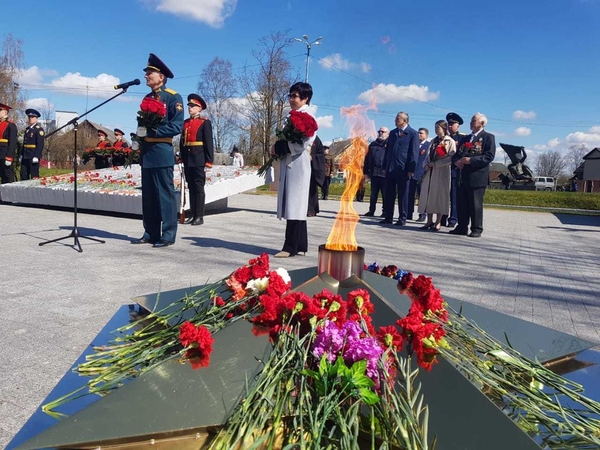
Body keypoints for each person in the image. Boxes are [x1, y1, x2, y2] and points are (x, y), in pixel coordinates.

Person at [131, 53, 184, 248]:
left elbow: (177, 126)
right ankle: (150, 232)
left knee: (165, 195)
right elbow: (141, 124)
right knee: (149, 196)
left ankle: (168, 234)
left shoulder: (173, 97)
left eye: (149, 73)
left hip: (162, 149)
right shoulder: (146, 98)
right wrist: (138, 138)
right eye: (146, 73)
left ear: (161, 77)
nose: (146, 76)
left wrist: (154, 130)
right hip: (147, 152)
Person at [274, 82, 317, 258]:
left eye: (295, 96)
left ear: (305, 98)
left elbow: (305, 142)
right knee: (296, 203)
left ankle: (289, 247)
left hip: (298, 163)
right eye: (290, 96)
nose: (291, 99)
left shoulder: (308, 116)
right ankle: (300, 244)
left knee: (295, 203)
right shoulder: (294, 115)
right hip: (291, 162)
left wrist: (285, 146)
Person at [450, 112, 496, 238]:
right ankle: (461, 226)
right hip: (462, 176)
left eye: (473, 121)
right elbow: (457, 154)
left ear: (482, 123)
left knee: (475, 204)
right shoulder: (465, 138)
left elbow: (489, 156)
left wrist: (471, 160)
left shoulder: (488, 137)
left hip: (477, 177)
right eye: (471, 120)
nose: (471, 123)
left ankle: (476, 228)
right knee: (462, 202)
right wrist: (457, 161)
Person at [180, 93, 213, 226]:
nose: (190, 108)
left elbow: (209, 143)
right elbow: (183, 142)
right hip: (188, 159)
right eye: (189, 105)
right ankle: (193, 215)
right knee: (191, 187)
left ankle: (199, 216)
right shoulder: (185, 123)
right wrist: (181, 157)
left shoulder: (205, 123)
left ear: (200, 108)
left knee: (199, 188)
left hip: (199, 158)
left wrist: (209, 161)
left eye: (193, 106)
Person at [381, 112, 419, 226]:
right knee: (389, 193)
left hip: (403, 169)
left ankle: (402, 217)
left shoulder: (412, 133)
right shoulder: (393, 133)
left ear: (405, 120)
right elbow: (387, 151)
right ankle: (388, 216)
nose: (395, 121)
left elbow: (414, 153)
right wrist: (384, 165)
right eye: (396, 118)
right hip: (391, 168)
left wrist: (411, 169)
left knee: (403, 194)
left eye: (398, 119)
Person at [418, 120, 456, 231]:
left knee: (439, 196)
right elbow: (427, 155)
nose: (436, 130)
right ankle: (429, 220)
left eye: (438, 128)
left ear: (444, 129)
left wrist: (436, 164)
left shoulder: (450, 141)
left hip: (442, 171)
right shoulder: (433, 141)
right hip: (430, 172)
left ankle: (438, 222)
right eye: (435, 128)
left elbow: (451, 157)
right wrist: (425, 164)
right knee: (429, 194)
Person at [441, 112, 465, 227]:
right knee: (443, 196)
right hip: (443, 170)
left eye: (452, 124)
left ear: (458, 126)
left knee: (454, 197)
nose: (450, 126)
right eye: (449, 124)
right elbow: (440, 154)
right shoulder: (443, 138)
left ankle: (453, 219)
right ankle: (441, 218)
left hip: (455, 170)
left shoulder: (463, 139)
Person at [363, 126, 388, 217]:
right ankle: (371, 210)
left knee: (385, 194)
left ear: (387, 133)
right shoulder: (373, 144)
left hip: (385, 174)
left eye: (383, 131)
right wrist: (365, 172)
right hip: (374, 173)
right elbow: (367, 159)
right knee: (373, 194)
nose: (381, 133)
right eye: (379, 131)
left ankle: (385, 212)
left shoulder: (390, 144)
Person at [407, 127, 430, 222]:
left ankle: (422, 214)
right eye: (418, 133)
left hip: (422, 174)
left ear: (426, 135)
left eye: (421, 133)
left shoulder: (428, 145)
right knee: (409, 194)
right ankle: (408, 213)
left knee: (422, 195)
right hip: (412, 173)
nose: (419, 135)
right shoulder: (413, 144)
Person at [20, 108, 45, 180]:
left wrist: (37, 156)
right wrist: (21, 154)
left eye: (32, 117)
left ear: (36, 119)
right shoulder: (27, 129)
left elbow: (40, 144)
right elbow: (24, 143)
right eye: (29, 117)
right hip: (25, 155)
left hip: (33, 155)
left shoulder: (39, 130)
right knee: (23, 174)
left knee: (34, 175)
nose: (30, 118)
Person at [308, 135, 325, 216]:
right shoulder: (298, 135)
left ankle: (311, 210)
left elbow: (321, 154)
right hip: (299, 167)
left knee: (311, 189)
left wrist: (313, 158)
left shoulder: (315, 139)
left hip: (312, 168)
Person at [0, 102, 17, 184]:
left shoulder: (10, 125)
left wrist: (9, 157)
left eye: (0, 110)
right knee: (2, 176)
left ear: (5, 112)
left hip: (5, 154)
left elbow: (12, 142)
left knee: (8, 176)